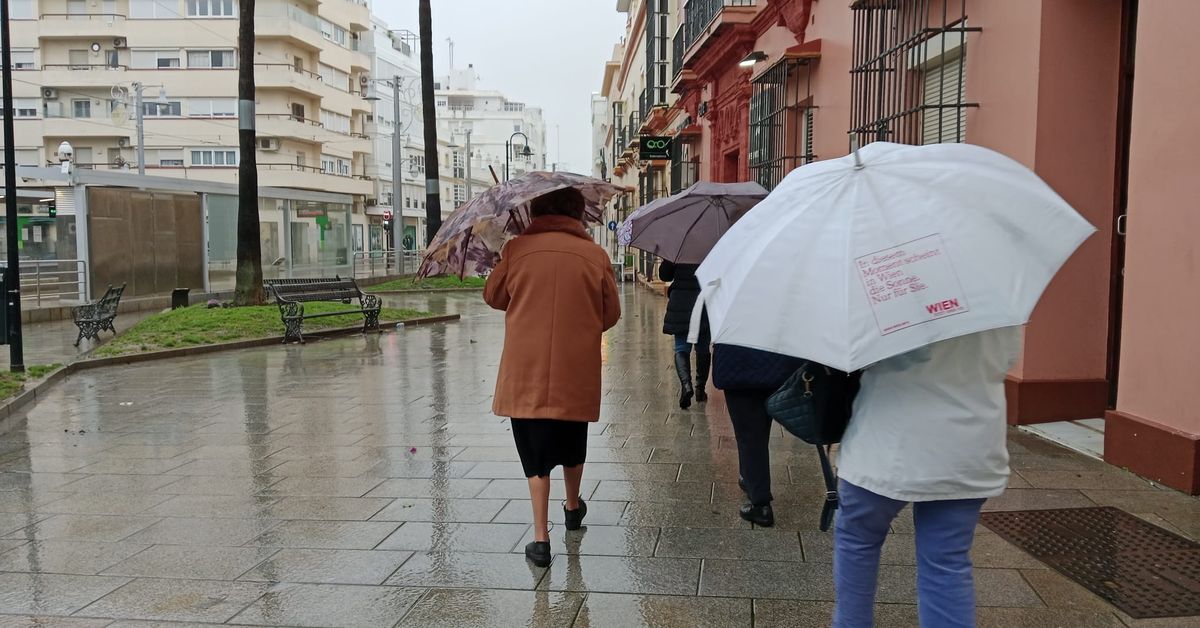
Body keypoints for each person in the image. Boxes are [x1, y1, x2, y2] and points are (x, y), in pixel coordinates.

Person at [833, 327, 1023, 627]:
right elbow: (1006, 358)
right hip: (969, 443)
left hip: (888, 439)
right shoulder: (999, 297)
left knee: (858, 538)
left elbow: (855, 353)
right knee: (946, 562)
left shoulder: (885, 289)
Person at [483, 187, 622, 568]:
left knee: (535, 452)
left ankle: (541, 539)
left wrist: (503, 257)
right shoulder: (595, 256)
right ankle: (573, 507)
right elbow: (610, 314)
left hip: (525, 369)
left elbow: (493, 297)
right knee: (572, 439)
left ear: (536, 212)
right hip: (574, 366)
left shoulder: (517, 251)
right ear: (578, 213)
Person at [710, 343, 805, 527]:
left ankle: (760, 505)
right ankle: (748, 476)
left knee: (748, 434)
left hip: (738, 364)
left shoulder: (729, 313)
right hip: (777, 363)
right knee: (758, 430)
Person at [659, 260, 710, 409]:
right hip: (702, 302)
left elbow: (664, 276)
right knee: (702, 348)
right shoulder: (709, 246)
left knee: (681, 347)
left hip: (680, 302)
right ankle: (700, 389)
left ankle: (686, 385)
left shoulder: (678, 248)